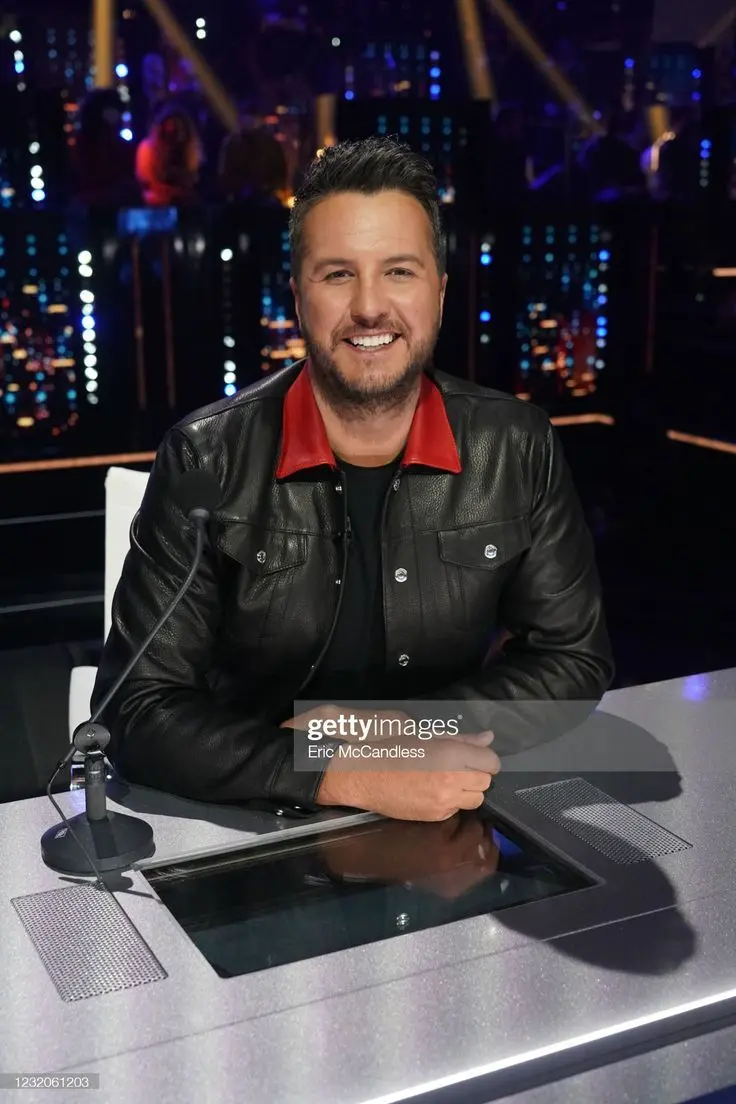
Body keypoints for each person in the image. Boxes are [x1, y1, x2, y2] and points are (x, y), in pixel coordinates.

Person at [92, 137, 614, 821]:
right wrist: (335, 771)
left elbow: (574, 661)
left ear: (439, 291)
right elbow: (135, 709)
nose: (370, 306)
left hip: (452, 807)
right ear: (297, 297)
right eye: (338, 274)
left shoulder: (516, 445)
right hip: (251, 824)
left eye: (399, 271)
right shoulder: (204, 459)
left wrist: (393, 734)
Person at [135, 103, 202, 206]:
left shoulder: (190, 148)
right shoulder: (147, 147)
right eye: (169, 133)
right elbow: (146, 179)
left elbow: (191, 177)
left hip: (182, 200)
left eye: (176, 132)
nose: (172, 136)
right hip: (154, 199)